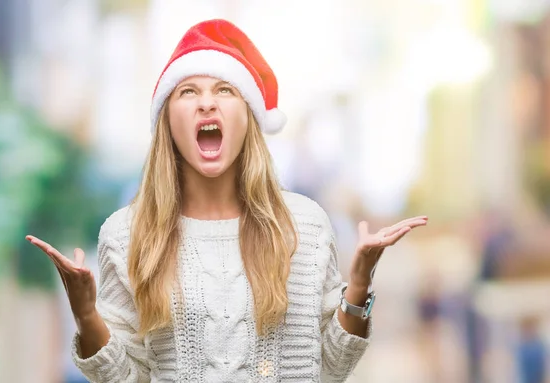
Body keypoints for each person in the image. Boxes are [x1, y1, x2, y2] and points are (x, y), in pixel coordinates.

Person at [26, 19, 427, 382]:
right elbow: (125, 379)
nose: (206, 102)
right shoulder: (126, 234)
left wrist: (358, 286)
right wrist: (85, 313)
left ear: (249, 117)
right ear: (167, 120)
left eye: (224, 89)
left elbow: (331, 368)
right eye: (188, 91)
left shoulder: (304, 225)